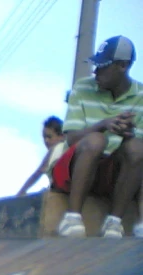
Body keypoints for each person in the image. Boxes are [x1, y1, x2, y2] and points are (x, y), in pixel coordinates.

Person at [53, 36, 143, 238]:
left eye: (102, 67)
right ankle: (73, 217)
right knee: (96, 140)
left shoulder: (141, 96)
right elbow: (71, 139)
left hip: (117, 174)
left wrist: (129, 134)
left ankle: (114, 222)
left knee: (137, 147)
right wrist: (103, 125)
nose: (95, 72)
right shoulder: (83, 88)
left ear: (122, 66)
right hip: (77, 167)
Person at [17, 116, 65, 196]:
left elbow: (39, 172)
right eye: (44, 137)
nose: (46, 141)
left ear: (61, 136)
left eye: (49, 137)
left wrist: (22, 191)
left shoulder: (56, 149)